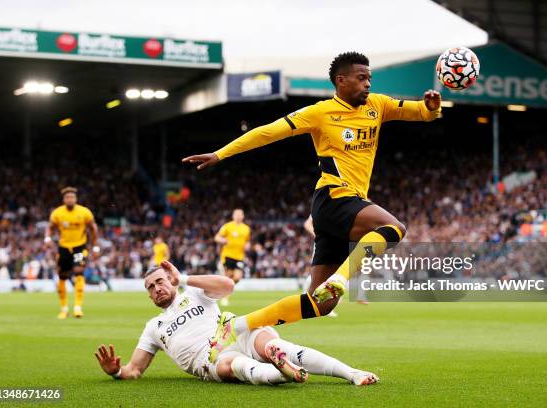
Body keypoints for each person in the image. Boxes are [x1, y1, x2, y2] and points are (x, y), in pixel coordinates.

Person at [182, 51, 441, 338]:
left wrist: (431, 107)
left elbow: (419, 112)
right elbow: (268, 132)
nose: (368, 84)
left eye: (369, 78)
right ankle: (343, 279)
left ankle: (236, 326)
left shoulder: (377, 106)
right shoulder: (319, 112)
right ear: (341, 81)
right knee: (393, 228)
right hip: (333, 198)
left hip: (341, 208)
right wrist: (221, 154)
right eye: (361, 78)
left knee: (320, 303)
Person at [94, 261, 378, 386]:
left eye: (159, 281)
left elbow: (228, 285)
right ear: (147, 295)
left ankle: (351, 373)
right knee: (238, 366)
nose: (156, 288)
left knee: (275, 344)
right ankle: (284, 371)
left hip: (231, 331)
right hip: (209, 358)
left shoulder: (193, 292)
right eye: (150, 287)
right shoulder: (153, 327)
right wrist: (116, 371)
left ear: (170, 281)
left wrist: (183, 279)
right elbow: (134, 369)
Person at [45, 187, 99, 319]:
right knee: (62, 276)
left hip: (79, 247)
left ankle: (77, 307)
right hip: (63, 248)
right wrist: (47, 238)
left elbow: (93, 227)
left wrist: (95, 245)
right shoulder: (57, 213)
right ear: (64, 199)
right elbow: (50, 227)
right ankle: (64, 309)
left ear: (76, 199)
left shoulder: (84, 212)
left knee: (79, 271)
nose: (70, 199)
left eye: (72, 197)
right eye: (67, 197)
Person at [214, 209, 251, 306]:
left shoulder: (246, 229)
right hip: (228, 256)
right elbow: (217, 237)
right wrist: (223, 240)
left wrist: (248, 245)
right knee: (228, 277)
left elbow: (247, 241)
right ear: (233, 216)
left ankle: (223, 293)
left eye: (240, 214)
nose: (238, 216)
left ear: (243, 216)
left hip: (239, 257)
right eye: (236, 214)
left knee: (237, 277)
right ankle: (224, 297)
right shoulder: (227, 226)